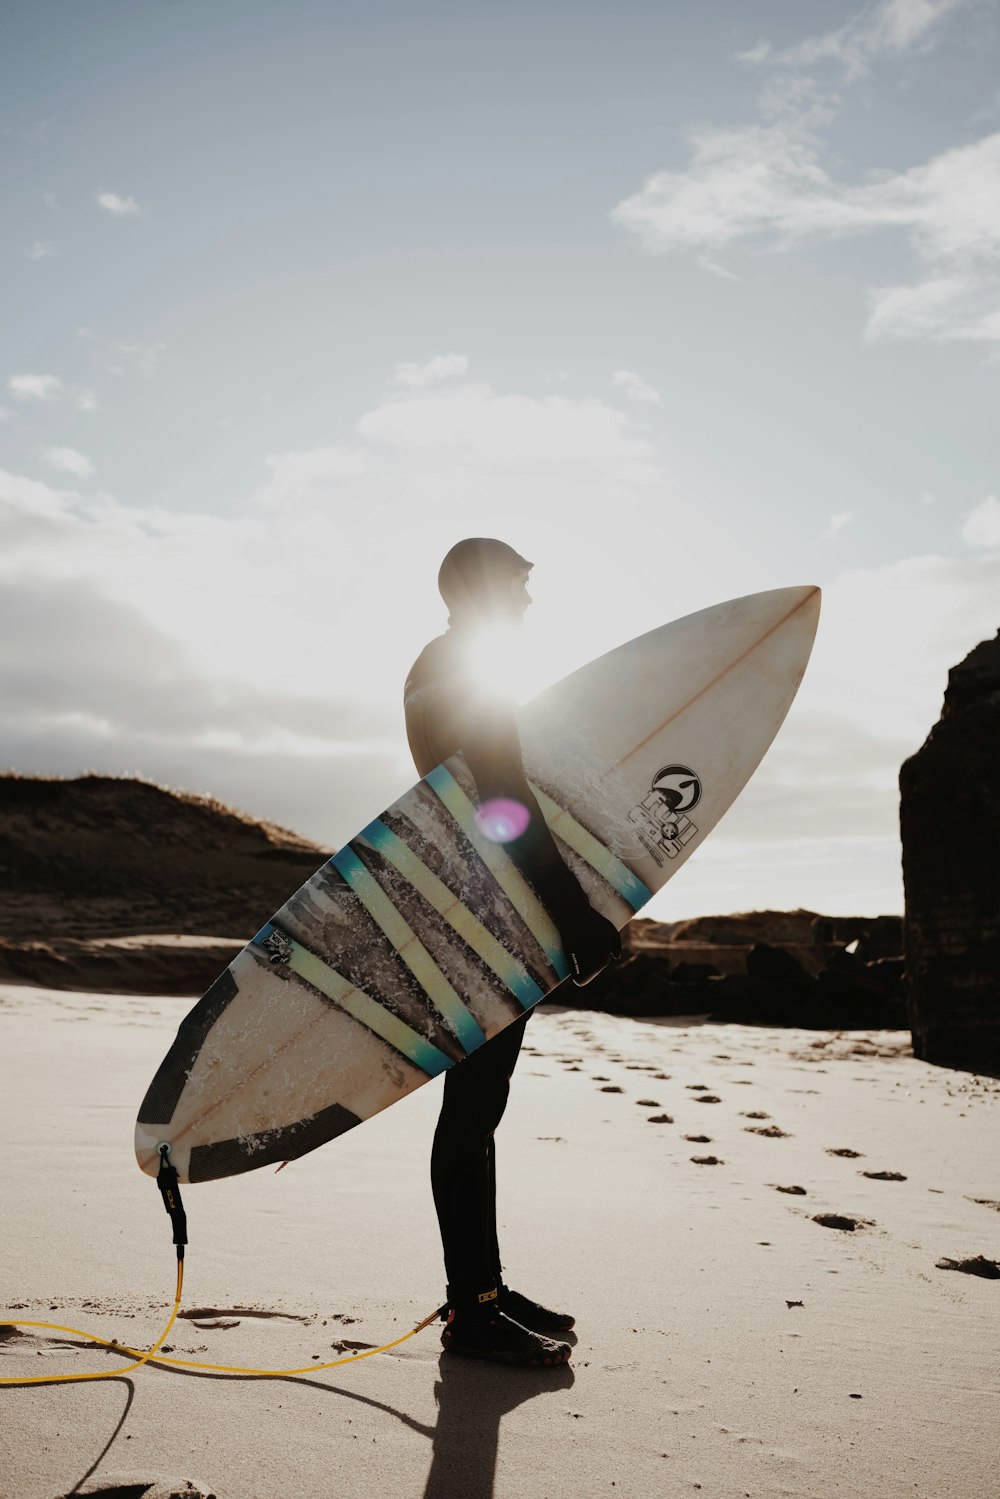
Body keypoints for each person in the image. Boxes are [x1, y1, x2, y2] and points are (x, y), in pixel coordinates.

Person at [403, 537, 621, 1367]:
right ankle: (472, 1308)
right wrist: (574, 917)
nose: (529, 602)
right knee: (471, 1112)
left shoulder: (442, 662)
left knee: (477, 1111)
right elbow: (504, 794)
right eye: (520, 586)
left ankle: (483, 1287)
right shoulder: (466, 665)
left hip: (475, 898)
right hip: (490, 908)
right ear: (483, 588)